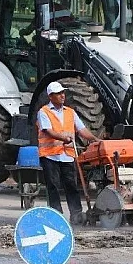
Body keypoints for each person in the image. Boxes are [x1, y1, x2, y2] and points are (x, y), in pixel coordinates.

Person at [37, 81, 100, 224]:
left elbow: (82, 130)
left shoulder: (70, 112)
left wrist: (95, 139)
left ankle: (76, 215)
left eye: (63, 93)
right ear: (51, 96)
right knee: (52, 186)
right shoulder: (44, 112)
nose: (62, 96)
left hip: (67, 155)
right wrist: (63, 138)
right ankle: (56, 215)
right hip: (50, 155)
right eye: (59, 94)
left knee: (71, 185)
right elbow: (48, 131)